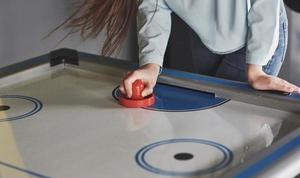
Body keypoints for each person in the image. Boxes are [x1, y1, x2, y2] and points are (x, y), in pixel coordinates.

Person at [58, 0, 300, 98]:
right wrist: (150, 66)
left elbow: (265, 6)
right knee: (212, 121)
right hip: (207, 36)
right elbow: (154, 6)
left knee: (245, 135)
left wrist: (255, 69)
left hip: (259, 33)